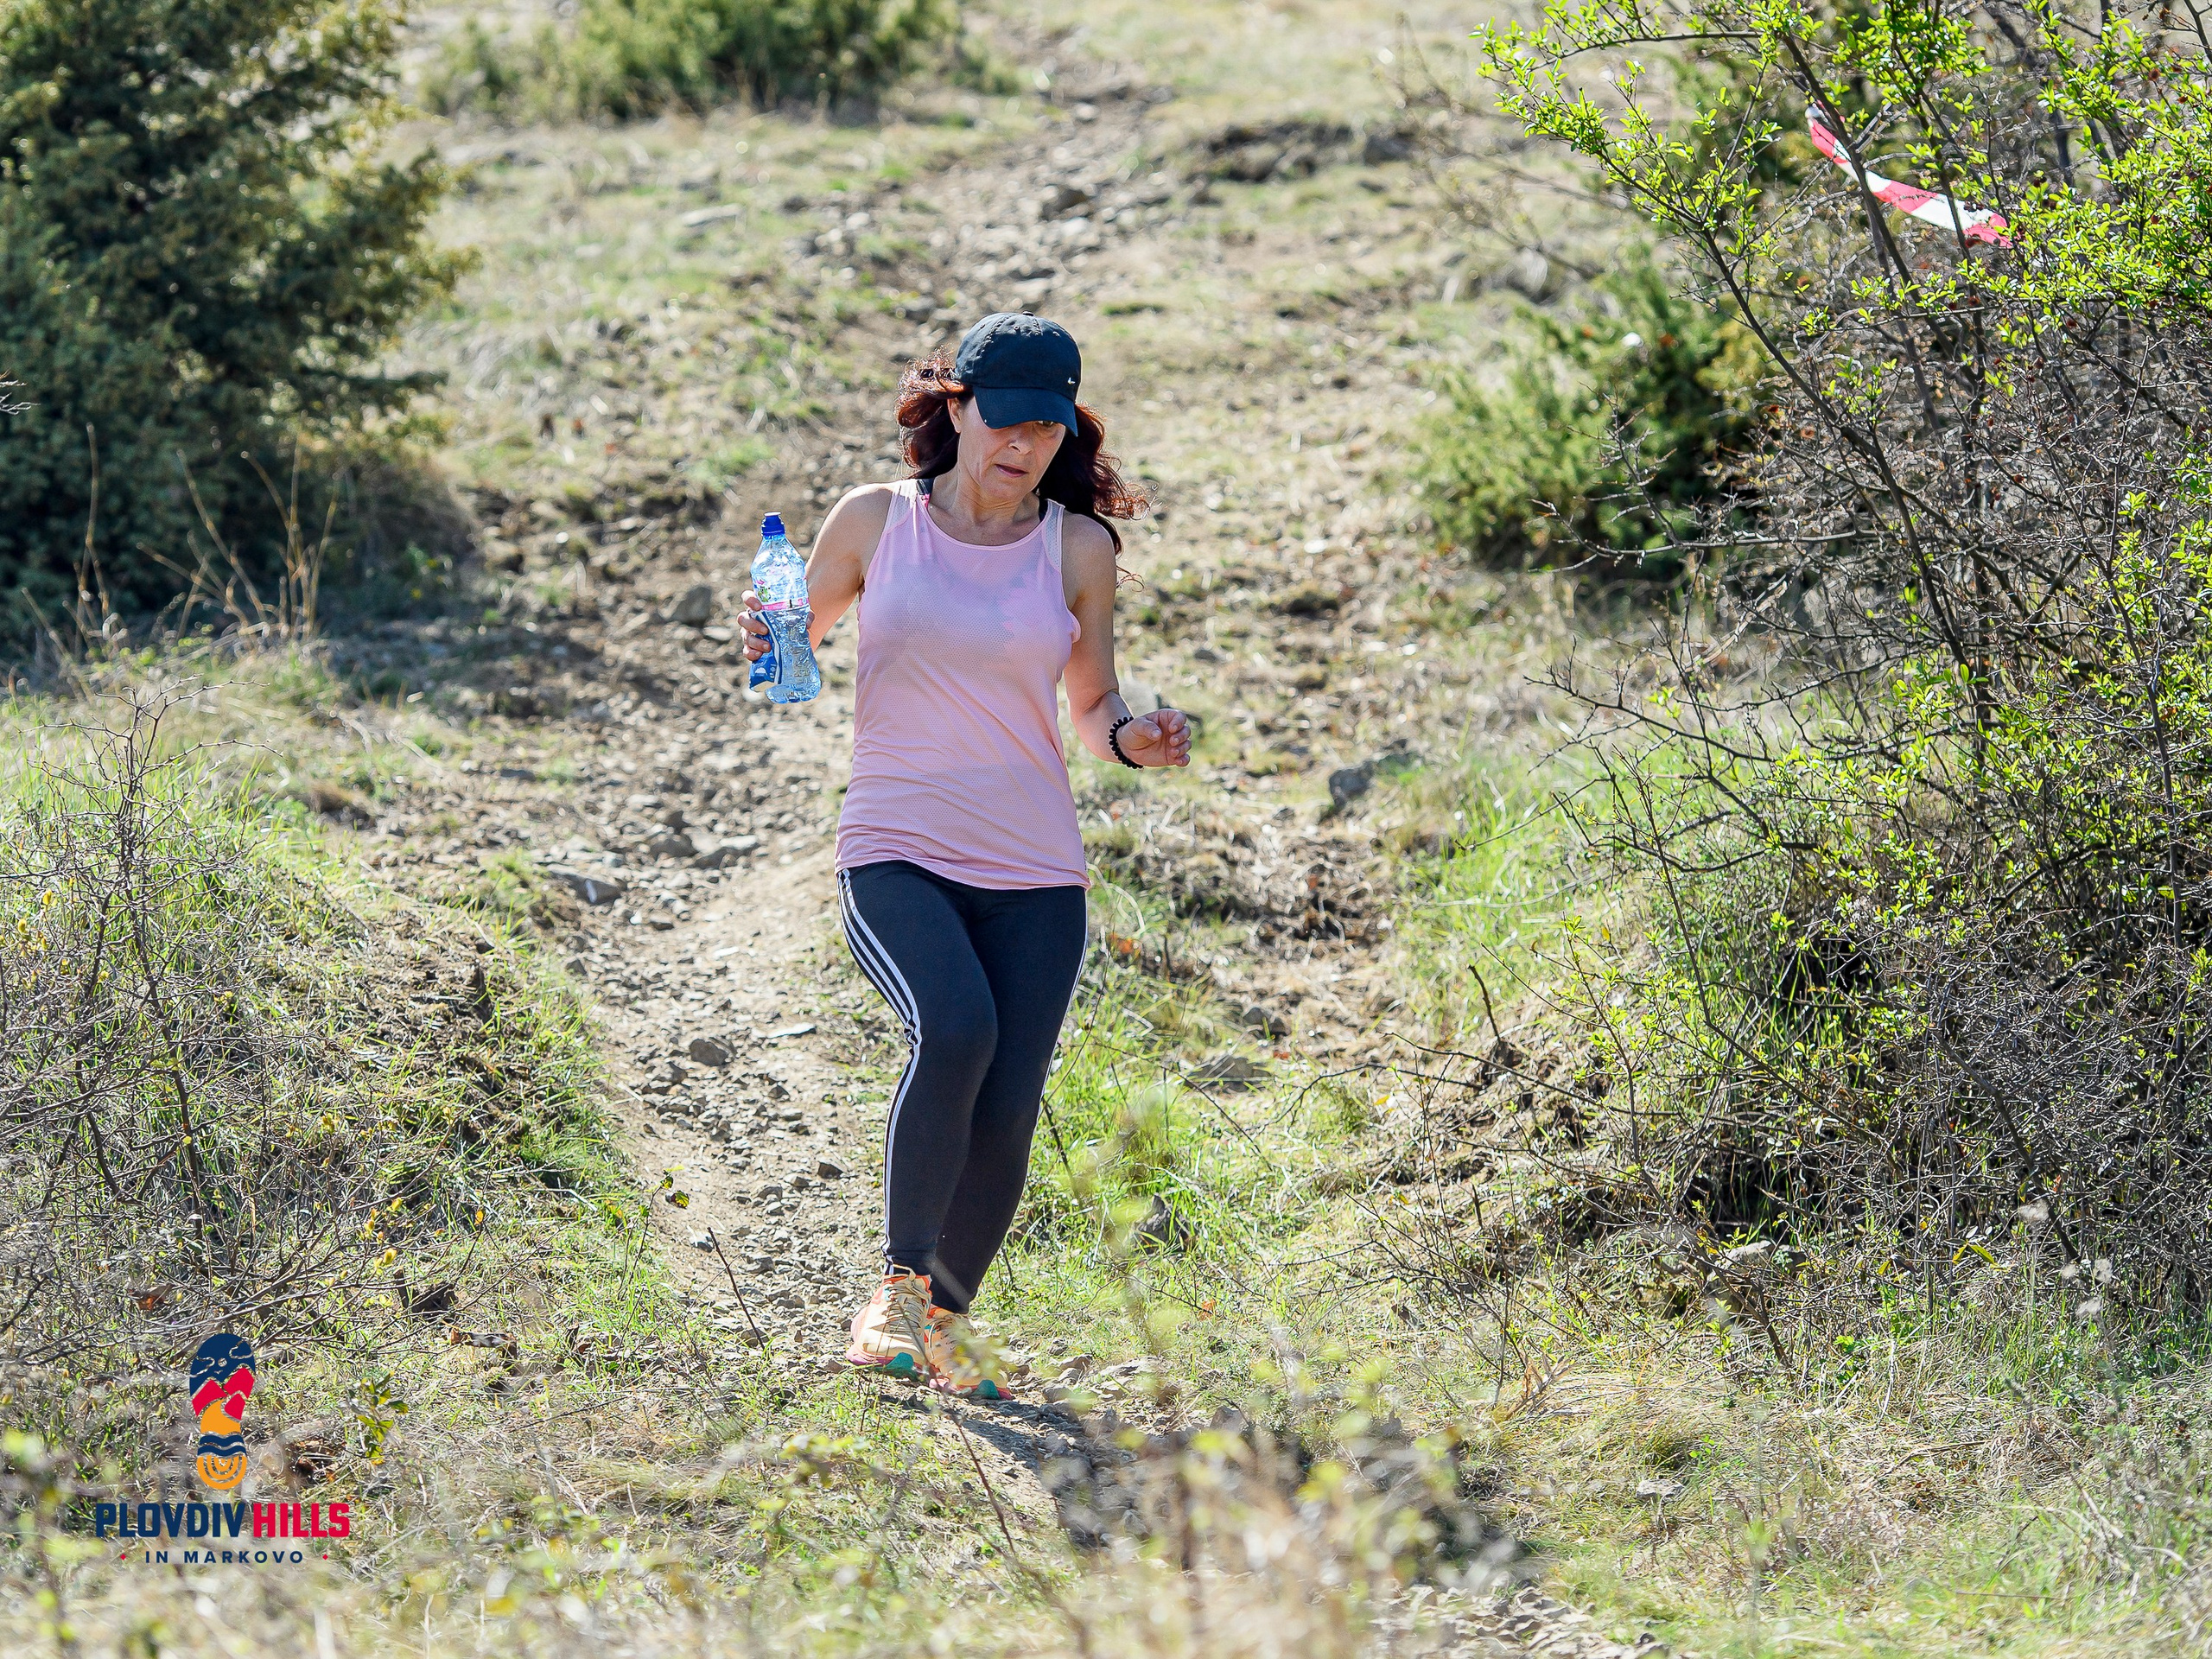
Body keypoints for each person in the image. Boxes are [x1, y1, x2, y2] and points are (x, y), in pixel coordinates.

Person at [740, 314, 1191, 1397]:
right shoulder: (873, 522)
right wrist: (769, 634)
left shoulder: (1077, 549)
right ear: (954, 407)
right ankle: (893, 1295)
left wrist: (1133, 741)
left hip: (1035, 866)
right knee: (958, 1030)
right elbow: (791, 643)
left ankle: (946, 1322)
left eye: (1047, 426)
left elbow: (1091, 704)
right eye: (1005, 419)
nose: (1024, 444)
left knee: (1011, 1093)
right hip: (897, 841)